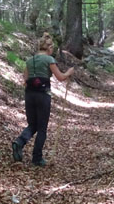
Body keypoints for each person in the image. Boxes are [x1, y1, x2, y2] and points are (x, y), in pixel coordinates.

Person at [11, 32, 73, 166]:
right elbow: (60, 77)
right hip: (43, 95)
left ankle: (19, 142)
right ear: (49, 48)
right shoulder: (49, 60)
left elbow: (25, 80)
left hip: (29, 95)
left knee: (33, 125)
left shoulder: (29, 60)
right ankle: (37, 158)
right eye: (52, 49)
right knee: (42, 128)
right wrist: (69, 72)